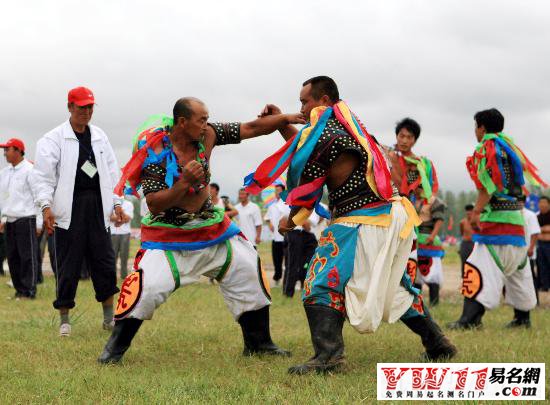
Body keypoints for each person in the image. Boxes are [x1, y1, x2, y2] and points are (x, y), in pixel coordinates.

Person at [248, 76, 456, 374]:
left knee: (318, 281)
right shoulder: (345, 127)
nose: (301, 107)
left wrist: (292, 219)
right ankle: (437, 344)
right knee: (389, 285)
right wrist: (283, 123)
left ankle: (329, 357)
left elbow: (308, 180)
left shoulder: (328, 134)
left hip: (362, 219)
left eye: (304, 101)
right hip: (388, 216)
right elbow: (307, 149)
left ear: (323, 100)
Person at [97, 97, 304, 364]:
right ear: (182, 122)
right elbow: (154, 203)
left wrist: (285, 119)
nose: (206, 124)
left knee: (247, 267)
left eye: (207, 118)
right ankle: (113, 352)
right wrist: (184, 183)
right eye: (201, 119)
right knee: (147, 288)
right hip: (169, 234)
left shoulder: (208, 134)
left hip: (211, 227)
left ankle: (259, 343)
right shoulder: (155, 150)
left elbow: (251, 128)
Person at [31, 86, 123, 337]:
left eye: (90, 107)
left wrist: (116, 204)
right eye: (81, 107)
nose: (87, 112)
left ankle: (108, 318)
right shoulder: (53, 139)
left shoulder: (100, 137)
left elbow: (113, 174)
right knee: (68, 265)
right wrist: (46, 206)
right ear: (70, 107)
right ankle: (65, 320)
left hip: (97, 206)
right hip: (68, 209)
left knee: (104, 262)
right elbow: (43, 178)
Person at [448, 108, 547, 330]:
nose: (475, 131)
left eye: (476, 127)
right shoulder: (510, 149)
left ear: (481, 127)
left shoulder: (488, 149)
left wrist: (476, 212)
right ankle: (523, 319)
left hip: (496, 225)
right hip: (517, 220)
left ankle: (470, 319)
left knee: (477, 266)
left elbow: (487, 188)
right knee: (519, 269)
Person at [0, 138, 42, 299]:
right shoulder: (5, 173)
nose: (4, 153)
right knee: (13, 257)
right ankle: (19, 289)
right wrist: (3, 218)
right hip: (10, 219)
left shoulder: (30, 170)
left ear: (18, 150)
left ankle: (29, 291)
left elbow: (38, 197)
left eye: (7, 149)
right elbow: (4, 198)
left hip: (26, 219)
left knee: (27, 257)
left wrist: (39, 222)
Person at [412, 185, 446, 306]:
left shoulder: (434, 201)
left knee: (432, 273)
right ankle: (416, 302)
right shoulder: (412, 199)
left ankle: (434, 302)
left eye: (416, 188)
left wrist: (432, 235)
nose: (414, 190)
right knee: (415, 274)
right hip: (414, 240)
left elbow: (439, 220)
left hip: (428, 240)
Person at [282, 212, 318, 298]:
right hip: (297, 232)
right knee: (293, 265)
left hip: (306, 235)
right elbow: (305, 223)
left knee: (305, 263)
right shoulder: (300, 205)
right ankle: (288, 292)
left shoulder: (311, 206)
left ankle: (299, 287)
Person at [264, 183, 290, 286]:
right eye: (275, 191)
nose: (276, 193)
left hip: (286, 237)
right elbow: (267, 217)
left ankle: (288, 280)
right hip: (275, 237)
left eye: (279, 191)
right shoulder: (272, 206)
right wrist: (269, 222)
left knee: (288, 260)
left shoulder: (288, 205)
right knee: (276, 260)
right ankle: (277, 278)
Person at [519, 195, 540, 308]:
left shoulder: (530, 215)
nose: (519, 204)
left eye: (521, 201)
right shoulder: (513, 214)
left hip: (528, 252)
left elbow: (535, 232)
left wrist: (531, 247)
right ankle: (521, 301)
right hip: (516, 253)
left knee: (531, 277)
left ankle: (535, 301)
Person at [110, 194, 134, 279]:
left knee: (124, 255)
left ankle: (124, 275)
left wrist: (119, 214)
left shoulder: (129, 204)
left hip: (125, 233)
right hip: (113, 233)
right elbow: (109, 218)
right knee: (113, 256)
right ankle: (112, 275)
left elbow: (128, 218)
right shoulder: (110, 203)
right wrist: (122, 215)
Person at [537, 196, 550, 292]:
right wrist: (544, 229)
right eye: (540, 203)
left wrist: (541, 229)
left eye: (544, 202)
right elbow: (534, 231)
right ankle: (545, 286)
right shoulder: (537, 216)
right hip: (540, 244)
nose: (542, 205)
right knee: (542, 266)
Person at [459, 204, 476, 276]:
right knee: (464, 261)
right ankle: (463, 278)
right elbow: (461, 232)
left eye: (470, 212)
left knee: (474, 262)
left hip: (474, 243)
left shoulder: (476, 222)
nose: (469, 214)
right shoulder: (462, 222)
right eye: (467, 212)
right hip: (465, 243)